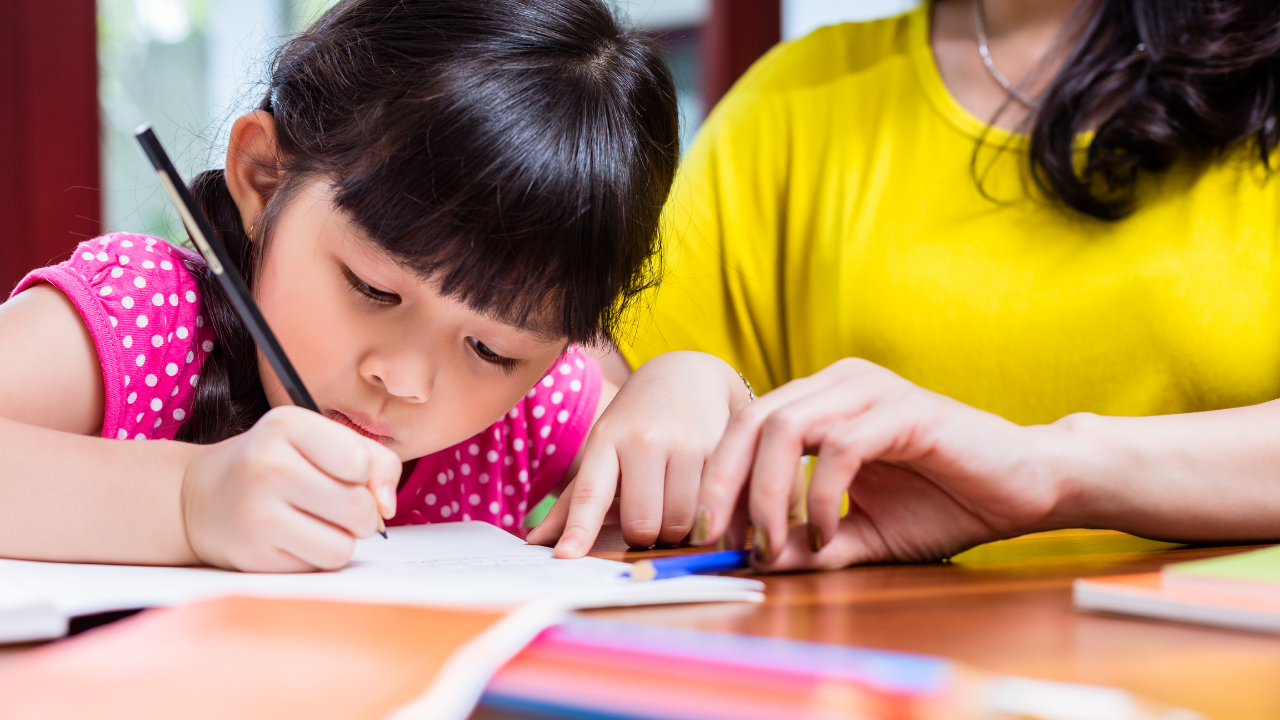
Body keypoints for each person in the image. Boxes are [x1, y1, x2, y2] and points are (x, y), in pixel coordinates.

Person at [0, 0, 752, 572]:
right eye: (374, 289)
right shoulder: (145, 318)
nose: (405, 379)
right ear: (264, 177)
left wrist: (690, 384)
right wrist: (187, 502)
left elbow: (690, 492)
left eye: (491, 350)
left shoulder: (526, 415)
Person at [532, 0, 1280, 569]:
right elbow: (553, 421)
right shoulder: (797, 101)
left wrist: (1049, 470)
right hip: (862, 676)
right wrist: (676, 381)